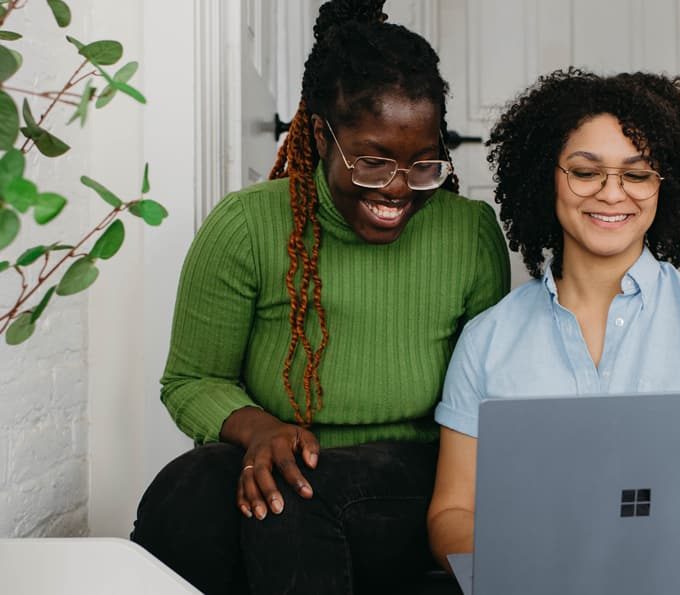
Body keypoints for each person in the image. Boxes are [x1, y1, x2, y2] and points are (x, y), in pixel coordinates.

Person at [130, 1, 509, 593]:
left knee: (294, 496)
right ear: (319, 135)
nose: (399, 188)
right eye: (373, 161)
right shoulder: (247, 226)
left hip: (408, 474)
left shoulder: (469, 233)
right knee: (189, 489)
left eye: (423, 163)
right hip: (280, 454)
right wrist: (258, 429)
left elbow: (488, 394)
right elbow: (190, 380)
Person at [427, 69, 680, 586]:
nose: (612, 194)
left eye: (637, 174)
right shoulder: (486, 341)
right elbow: (451, 512)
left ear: (666, 185)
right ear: (546, 175)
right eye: (585, 171)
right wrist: (516, 572)